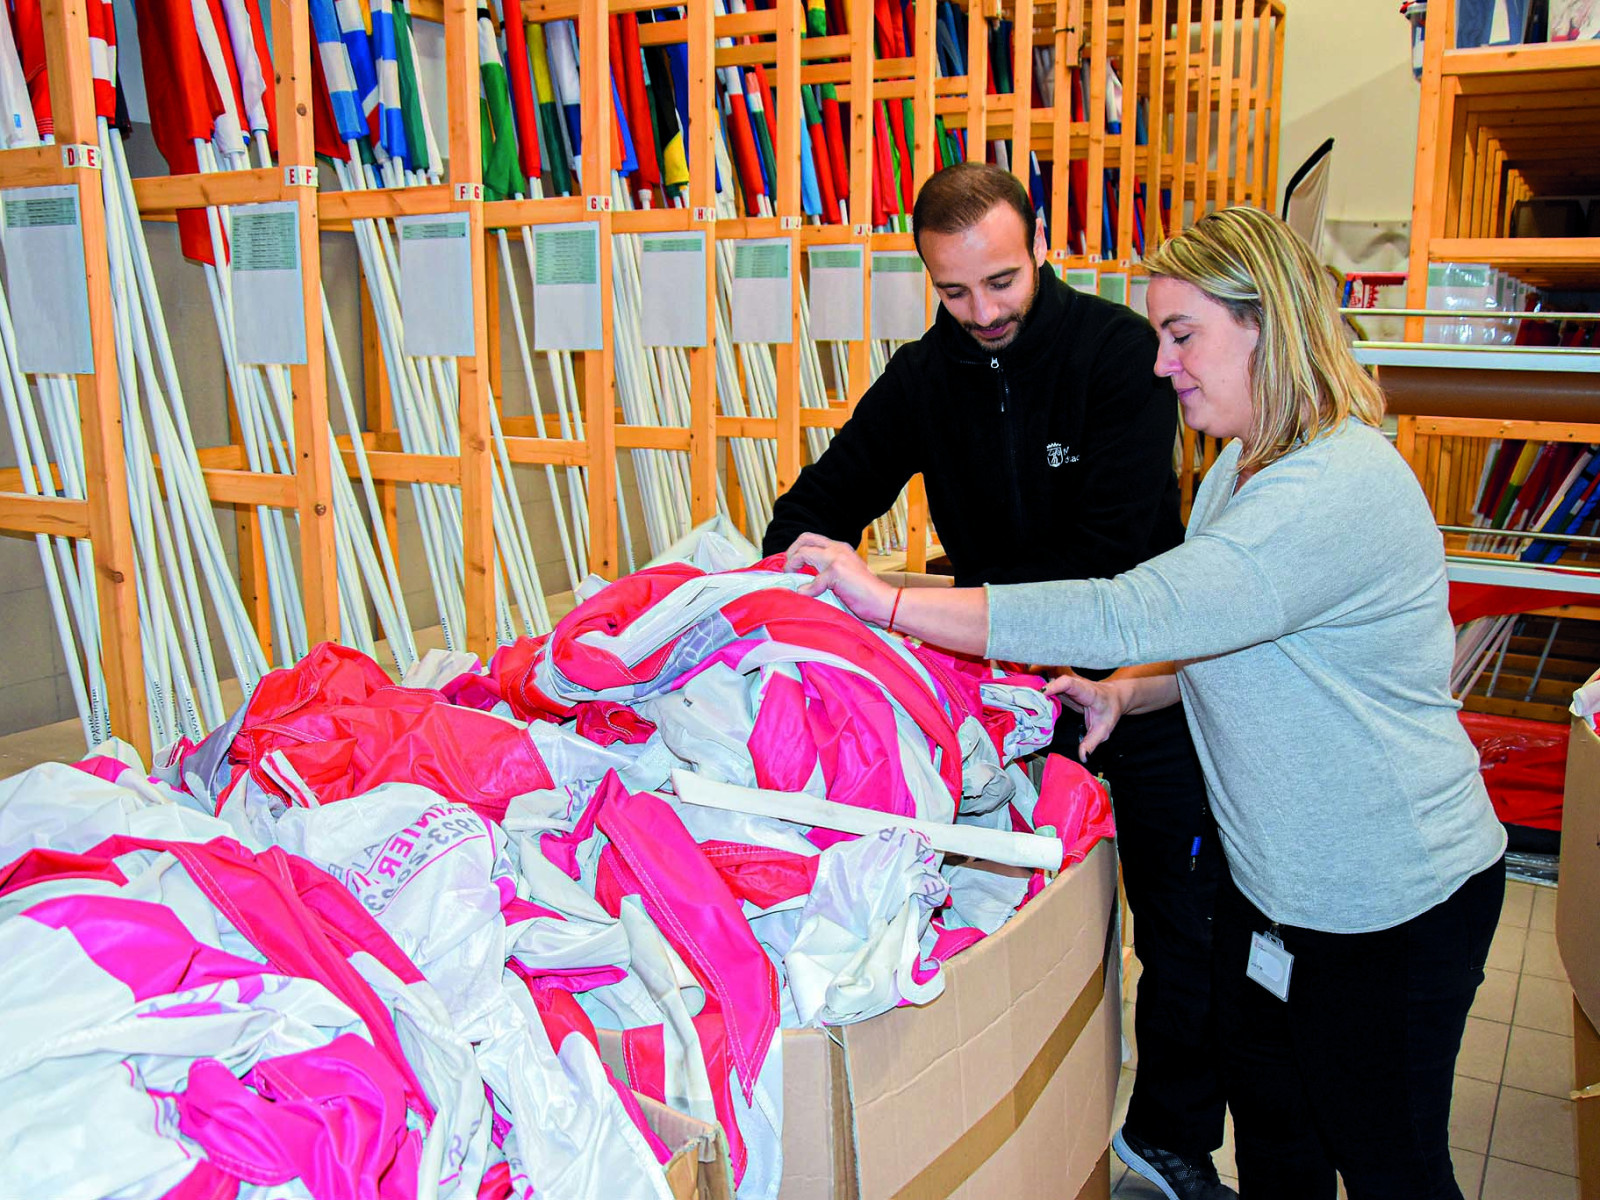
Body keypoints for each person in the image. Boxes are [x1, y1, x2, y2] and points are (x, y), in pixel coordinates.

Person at [785, 205, 1509, 1200]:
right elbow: (1214, 639)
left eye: (1182, 335)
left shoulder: (1332, 487)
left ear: (1263, 325)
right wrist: (1129, 695)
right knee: (1276, 1137)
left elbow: (1131, 608)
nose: (1162, 364)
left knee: (1388, 1164)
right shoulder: (1235, 475)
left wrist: (896, 603)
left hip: (1384, 900)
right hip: (1277, 895)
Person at [763, 163, 1233, 1197]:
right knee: (1020, 923)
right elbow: (814, 505)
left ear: (1039, 246)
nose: (981, 313)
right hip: (1008, 706)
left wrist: (922, 605)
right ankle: (1035, 1115)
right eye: (953, 293)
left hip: (1139, 685)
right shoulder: (927, 376)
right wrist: (786, 589)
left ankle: (1170, 1140)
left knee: (1184, 925)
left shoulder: (1117, 354)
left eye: (1001, 283)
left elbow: (1105, 564)